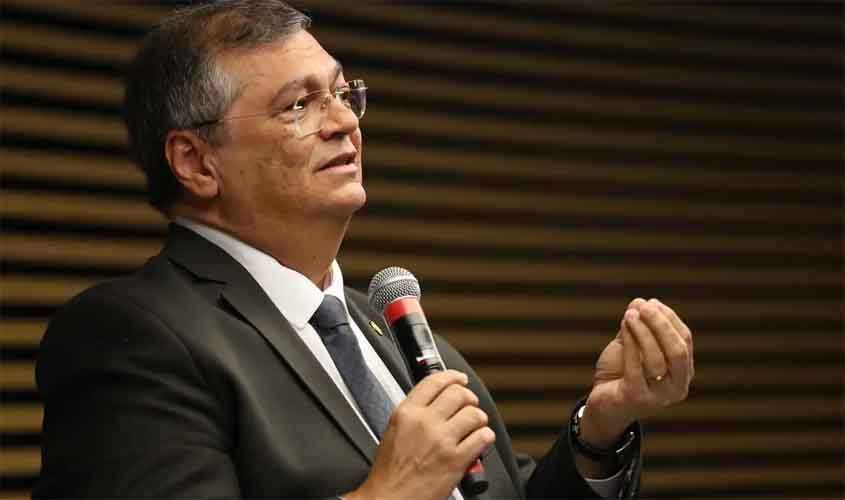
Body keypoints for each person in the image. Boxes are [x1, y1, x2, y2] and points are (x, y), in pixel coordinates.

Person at [34, 1, 694, 498]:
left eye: (343, 94)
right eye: (299, 105)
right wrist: (390, 493)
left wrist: (599, 429)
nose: (345, 122)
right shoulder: (133, 335)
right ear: (195, 162)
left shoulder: (386, 326)